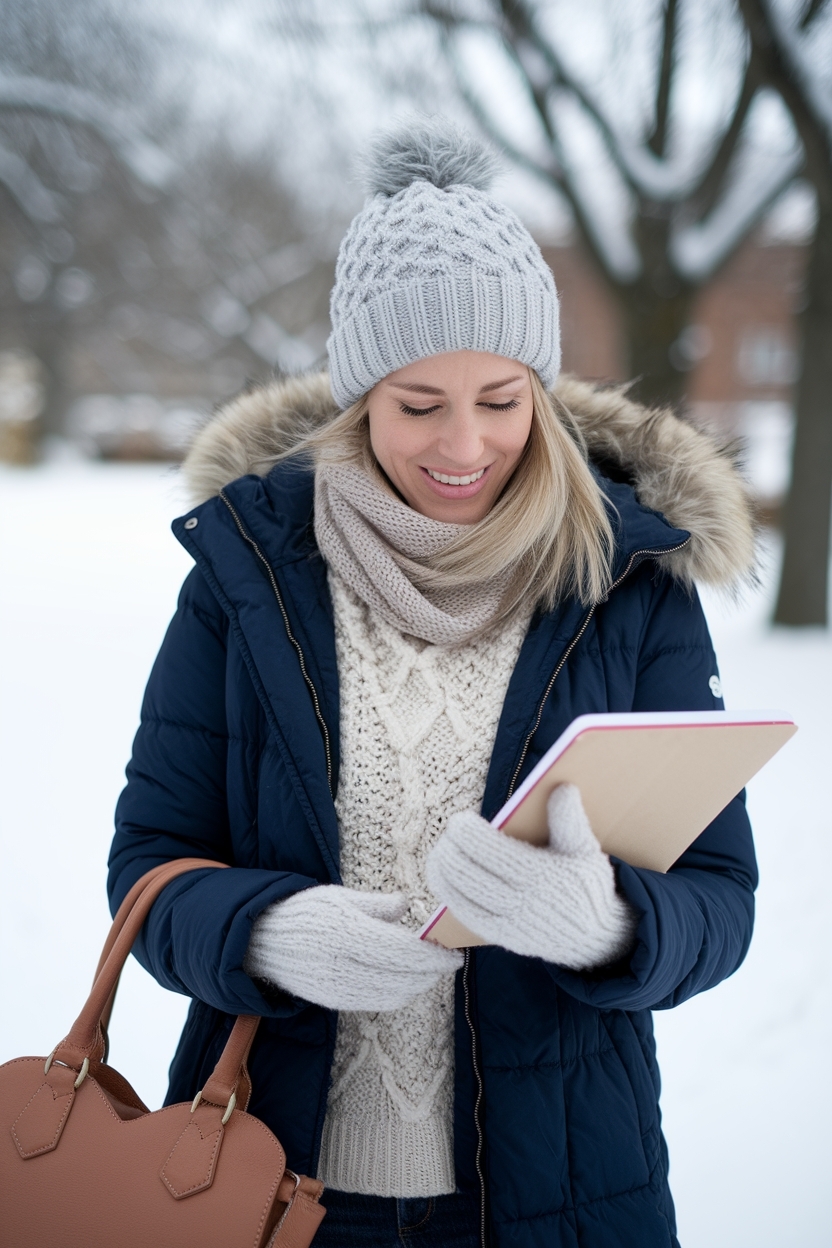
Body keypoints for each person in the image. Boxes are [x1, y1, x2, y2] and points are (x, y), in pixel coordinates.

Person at [108, 119, 758, 1248]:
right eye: (419, 405)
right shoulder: (248, 576)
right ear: (361, 393)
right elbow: (146, 872)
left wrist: (609, 923)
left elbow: (720, 899)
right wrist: (265, 933)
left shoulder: (629, 587)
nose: (465, 444)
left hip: (554, 1190)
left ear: (541, 393)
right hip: (264, 1179)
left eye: (502, 400)